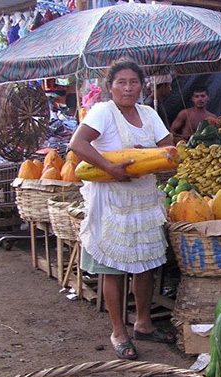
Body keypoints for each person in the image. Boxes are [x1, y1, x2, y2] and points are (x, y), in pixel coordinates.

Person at [70, 58, 175, 360]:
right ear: (110, 87)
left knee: (146, 264)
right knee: (113, 270)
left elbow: (167, 146)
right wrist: (109, 167)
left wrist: (152, 154)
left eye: (133, 82)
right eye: (121, 83)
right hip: (110, 198)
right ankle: (119, 331)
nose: (128, 88)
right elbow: (78, 143)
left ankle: (143, 323)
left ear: (142, 86)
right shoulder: (103, 112)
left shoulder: (149, 113)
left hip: (141, 198)